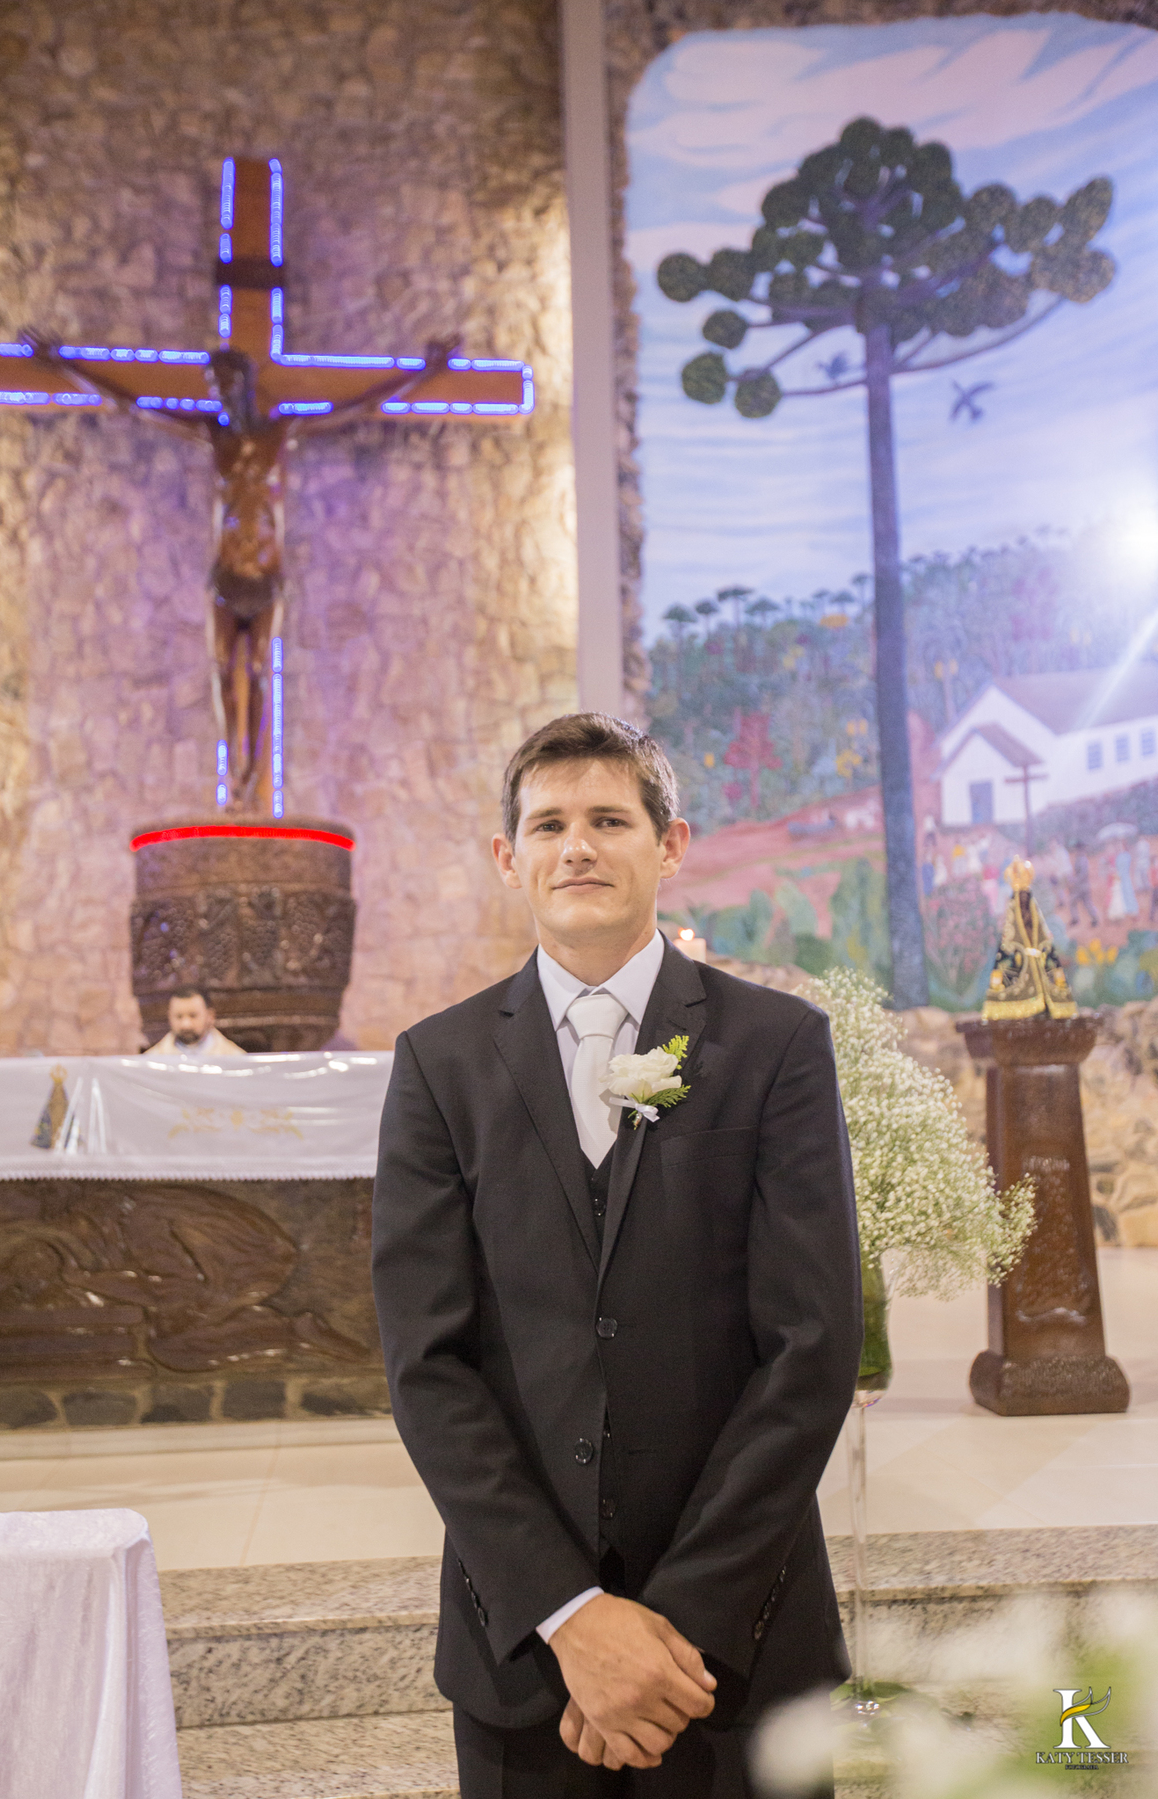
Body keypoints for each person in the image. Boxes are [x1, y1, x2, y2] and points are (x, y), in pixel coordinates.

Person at [372, 713, 862, 1798]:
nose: (577, 846)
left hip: (737, 1644)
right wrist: (575, 1620)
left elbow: (812, 1348)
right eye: (548, 824)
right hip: (527, 1651)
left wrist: (671, 1632)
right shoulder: (438, 1066)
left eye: (609, 818)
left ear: (670, 845)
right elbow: (429, 1367)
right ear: (510, 859)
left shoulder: (776, 1047)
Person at [145, 985, 246, 1059]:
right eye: (179, 1017)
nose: (186, 1025)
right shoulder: (151, 1061)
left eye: (193, 1016)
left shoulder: (235, 1058)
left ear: (210, 1016)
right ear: (169, 1017)